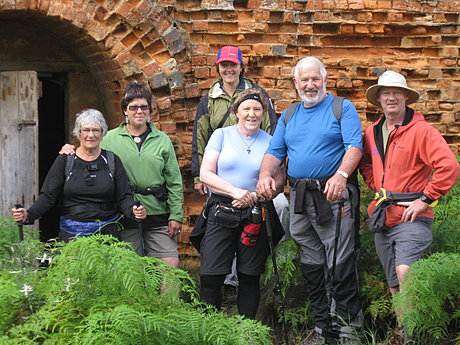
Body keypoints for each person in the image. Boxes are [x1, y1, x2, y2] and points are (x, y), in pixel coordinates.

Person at [257, 57, 363, 344]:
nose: (310, 84)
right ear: (296, 83)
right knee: (313, 266)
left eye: (315, 78)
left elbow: (355, 147)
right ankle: (323, 329)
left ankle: (349, 330)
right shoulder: (290, 114)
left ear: (324, 79)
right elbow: (274, 151)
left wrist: (341, 175)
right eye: (304, 80)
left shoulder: (342, 108)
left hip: (334, 197)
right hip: (301, 200)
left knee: (340, 263)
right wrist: (266, 175)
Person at [191, 45, 290, 291]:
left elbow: (272, 133)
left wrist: (267, 178)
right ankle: (226, 277)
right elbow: (200, 135)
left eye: (232, 65)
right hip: (222, 171)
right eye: (224, 65)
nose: (228, 69)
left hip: (258, 178)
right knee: (222, 225)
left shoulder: (258, 94)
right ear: (218, 67)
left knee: (275, 215)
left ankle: (268, 270)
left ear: (240, 66)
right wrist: (199, 174)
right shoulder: (210, 98)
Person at [360, 71, 459, 308]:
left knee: (407, 273)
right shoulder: (372, 133)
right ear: (379, 98)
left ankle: (417, 334)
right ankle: (405, 334)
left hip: (412, 216)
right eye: (386, 93)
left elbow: (450, 167)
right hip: (384, 216)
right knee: (394, 285)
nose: (391, 97)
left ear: (406, 97)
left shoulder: (422, 131)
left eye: (396, 92)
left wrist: (425, 199)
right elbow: (364, 162)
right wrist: (377, 185)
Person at [60, 82, 184, 267]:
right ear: (125, 111)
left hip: (158, 211)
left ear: (150, 110)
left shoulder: (162, 140)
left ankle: (166, 298)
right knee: (128, 269)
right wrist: (69, 149)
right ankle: (135, 298)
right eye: (133, 107)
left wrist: (176, 215)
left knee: (170, 266)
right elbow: (87, 153)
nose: (139, 111)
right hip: (122, 215)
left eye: (144, 107)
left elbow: (174, 181)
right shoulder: (109, 138)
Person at [199, 88, 285, 319]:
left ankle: (246, 332)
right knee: (210, 275)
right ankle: (210, 328)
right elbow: (206, 174)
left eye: (257, 109)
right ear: (236, 111)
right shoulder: (221, 135)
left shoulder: (271, 141)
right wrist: (236, 191)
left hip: (255, 213)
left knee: (249, 276)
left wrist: (261, 193)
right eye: (246, 108)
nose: (251, 114)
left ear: (264, 113)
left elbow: (279, 178)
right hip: (222, 209)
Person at [12, 109, 146, 242]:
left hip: (107, 234)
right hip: (72, 233)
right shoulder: (65, 160)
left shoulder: (112, 160)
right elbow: (48, 196)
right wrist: (29, 215)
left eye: (96, 130)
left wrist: (133, 211)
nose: (91, 135)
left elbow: (124, 196)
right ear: (78, 133)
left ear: (102, 132)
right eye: (86, 130)